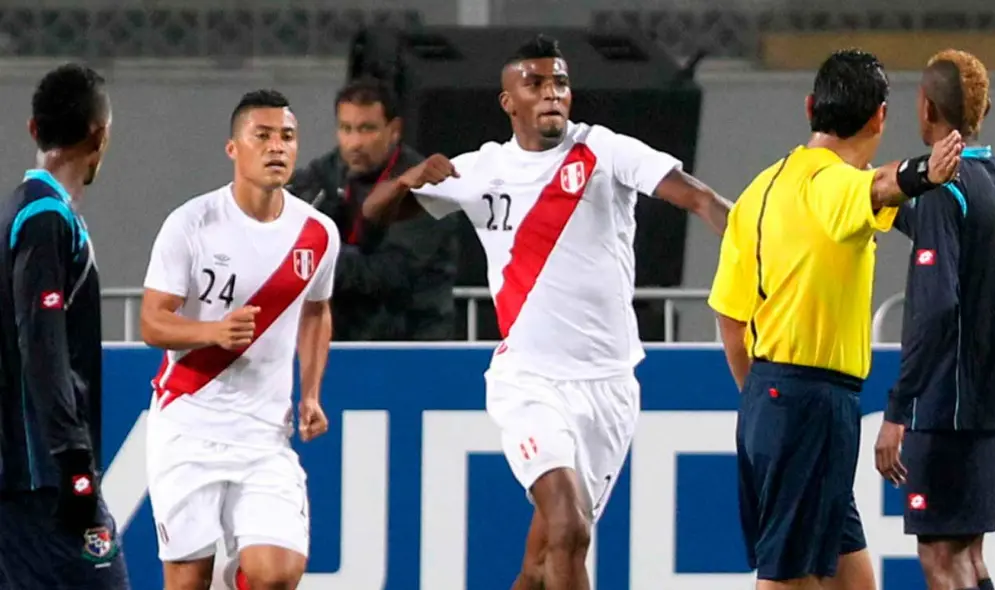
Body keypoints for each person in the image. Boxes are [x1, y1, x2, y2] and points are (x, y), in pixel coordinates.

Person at [363, 34, 732, 589]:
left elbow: (700, 199)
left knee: (541, 563)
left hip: (609, 387)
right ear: (509, 102)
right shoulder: (481, 170)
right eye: (534, 84)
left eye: (559, 82)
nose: (551, 93)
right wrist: (407, 180)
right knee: (568, 525)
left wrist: (760, 247)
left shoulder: (604, 151)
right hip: (531, 381)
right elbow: (374, 212)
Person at [709, 48, 963, 590]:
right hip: (810, 404)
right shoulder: (833, 183)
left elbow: (730, 319)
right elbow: (878, 186)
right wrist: (926, 170)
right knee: (787, 577)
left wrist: (763, 400)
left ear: (809, 107)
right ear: (879, 117)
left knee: (853, 579)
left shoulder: (759, 190)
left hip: (774, 400)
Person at [139, 89, 338, 589]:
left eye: (287, 137)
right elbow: (151, 323)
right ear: (234, 149)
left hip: (264, 435)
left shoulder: (317, 235)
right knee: (187, 581)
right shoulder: (192, 224)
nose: (277, 147)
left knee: (278, 573)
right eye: (263, 136)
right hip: (188, 426)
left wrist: (311, 391)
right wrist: (212, 331)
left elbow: (316, 311)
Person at [874, 49, 995, 590]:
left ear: (926, 109)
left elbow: (937, 304)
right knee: (967, 557)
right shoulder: (989, 181)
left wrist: (898, 409)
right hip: (986, 408)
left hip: (944, 411)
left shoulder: (945, 193)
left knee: (942, 561)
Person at [0, 63, 129, 588]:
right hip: (43, 479)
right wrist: (74, 462)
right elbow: (44, 345)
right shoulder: (45, 219)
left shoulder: (20, 210)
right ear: (101, 135)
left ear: (34, 129)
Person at [287, 77, 458, 341]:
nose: (355, 142)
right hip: (340, 341)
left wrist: (316, 259)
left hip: (414, 342)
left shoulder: (425, 185)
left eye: (367, 129)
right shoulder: (323, 174)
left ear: (394, 130)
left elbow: (392, 274)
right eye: (346, 128)